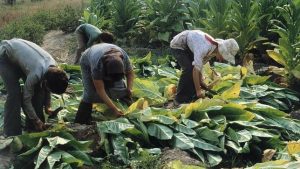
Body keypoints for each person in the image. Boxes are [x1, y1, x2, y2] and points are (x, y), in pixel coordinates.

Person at [0, 38, 69, 137]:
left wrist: (47, 106)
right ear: (45, 81)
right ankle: (11, 133)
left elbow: (47, 87)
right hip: (5, 57)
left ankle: (33, 127)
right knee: (14, 94)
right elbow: (26, 100)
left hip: (22, 57)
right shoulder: (36, 74)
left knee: (38, 90)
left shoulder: (54, 69)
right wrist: (35, 120)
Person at [169, 30, 239, 106]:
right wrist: (198, 90)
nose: (222, 59)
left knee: (194, 73)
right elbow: (196, 70)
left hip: (190, 45)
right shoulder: (204, 48)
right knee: (189, 69)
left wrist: (201, 82)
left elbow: (200, 66)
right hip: (178, 45)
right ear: (222, 50)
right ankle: (179, 99)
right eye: (224, 56)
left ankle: (191, 96)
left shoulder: (213, 50)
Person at [74, 43, 134, 124]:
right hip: (87, 60)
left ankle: (131, 112)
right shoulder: (98, 66)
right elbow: (100, 91)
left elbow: (130, 73)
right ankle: (81, 121)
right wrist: (114, 109)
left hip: (104, 52)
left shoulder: (124, 58)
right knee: (90, 94)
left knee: (120, 90)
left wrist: (129, 89)